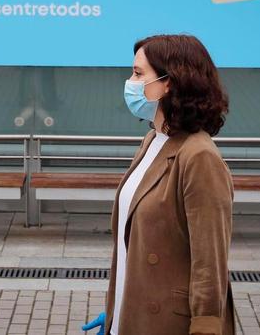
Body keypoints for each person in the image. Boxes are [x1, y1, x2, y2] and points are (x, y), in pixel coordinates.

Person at [83, 34, 234, 334]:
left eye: (139, 74)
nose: (130, 82)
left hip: (168, 323)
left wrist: (205, 328)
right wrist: (116, 313)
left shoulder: (199, 156)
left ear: (169, 83)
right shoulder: (153, 139)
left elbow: (210, 263)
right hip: (132, 318)